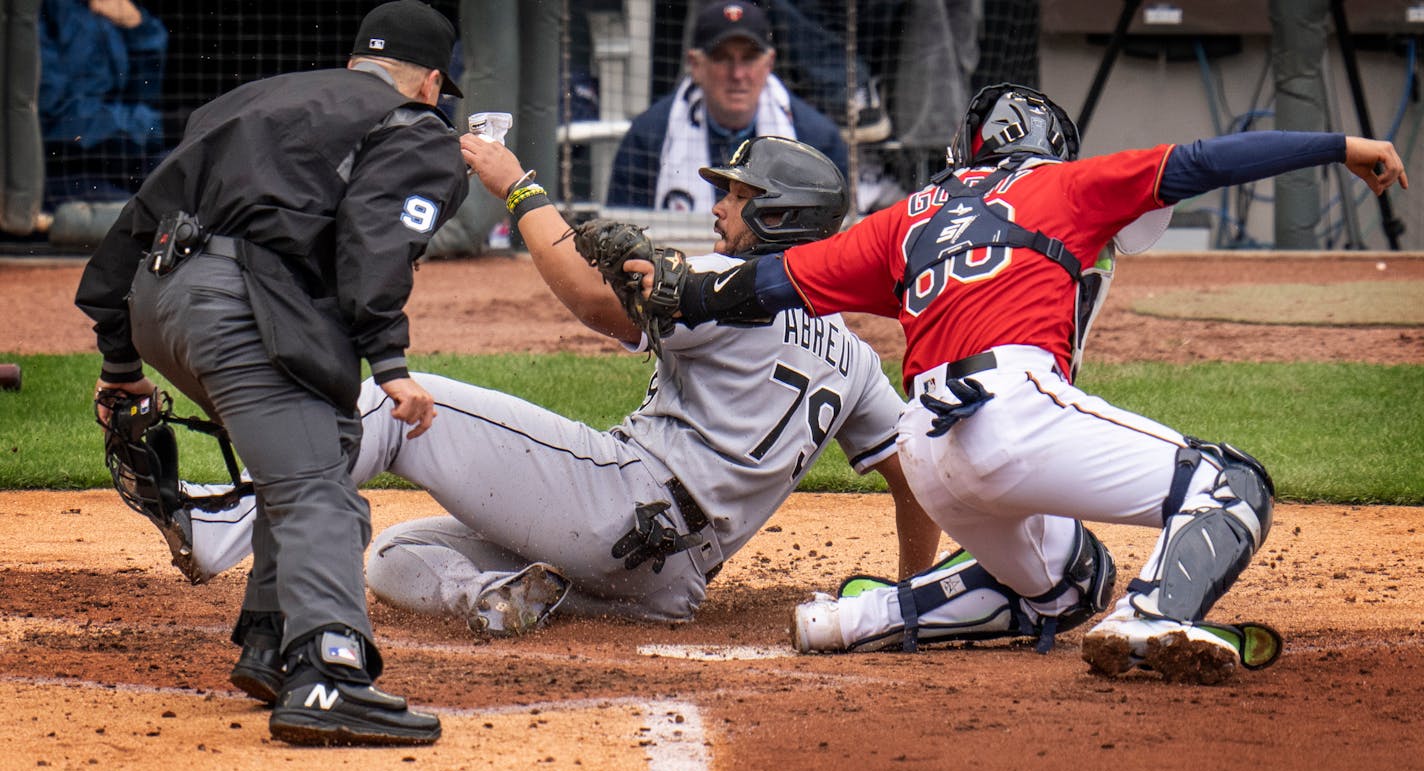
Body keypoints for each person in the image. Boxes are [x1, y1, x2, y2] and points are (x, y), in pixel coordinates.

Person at [185, 137, 1076, 690]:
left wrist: (519, 186)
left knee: (397, 403)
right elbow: (909, 475)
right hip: (670, 585)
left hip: (617, 498)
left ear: (775, 217)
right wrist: (908, 587)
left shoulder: (729, 288)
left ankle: (213, 524)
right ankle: (501, 594)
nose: (720, 204)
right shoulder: (853, 355)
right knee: (395, 554)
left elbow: (588, 298)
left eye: (735, 194)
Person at [641, 84, 1409, 683]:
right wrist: (1340, 145)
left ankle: (857, 619)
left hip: (931, 452)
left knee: (1076, 581)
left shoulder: (906, 218)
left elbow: (764, 284)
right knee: (1232, 483)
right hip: (1012, 414)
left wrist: (665, 287)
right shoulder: (1066, 187)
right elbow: (1206, 161)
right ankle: (1152, 614)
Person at [74, 0, 470, 746]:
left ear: (358, 62)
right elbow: (374, 240)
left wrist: (120, 360)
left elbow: (141, 214)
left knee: (325, 448)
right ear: (429, 83)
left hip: (158, 305)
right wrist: (389, 359)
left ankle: (270, 641)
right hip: (238, 310)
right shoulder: (416, 128)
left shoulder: (256, 97)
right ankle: (328, 676)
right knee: (317, 489)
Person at [604, 1, 848, 212]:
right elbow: (623, 230)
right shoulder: (648, 137)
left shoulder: (816, 139)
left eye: (750, 58)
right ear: (696, 65)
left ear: (769, 63)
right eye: (722, 58)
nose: (738, 74)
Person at [38, 0, 169, 206]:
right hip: (57, 170)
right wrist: (153, 125)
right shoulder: (34, 14)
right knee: (131, 216)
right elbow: (55, 115)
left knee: (189, 179)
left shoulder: (101, 7)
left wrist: (139, 30)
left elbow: (143, 98)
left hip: (121, 156)